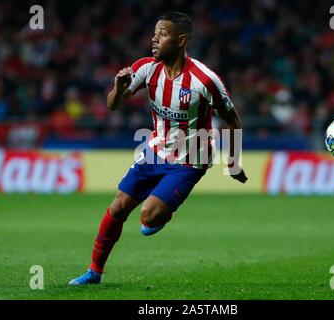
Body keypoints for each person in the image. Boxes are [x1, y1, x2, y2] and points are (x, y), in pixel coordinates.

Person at [69, 11, 247, 285]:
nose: (154, 39)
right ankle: (94, 272)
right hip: (156, 149)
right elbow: (113, 105)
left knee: (148, 218)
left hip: (191, 159)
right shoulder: (146, 68)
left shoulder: (205, 80)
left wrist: (233, 163)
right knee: (117, 207)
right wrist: (118, 88)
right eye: (155, 33)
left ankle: (160, 213)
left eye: (162, 34)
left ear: (180, 40)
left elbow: (233, 120)